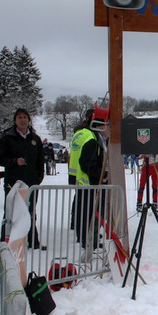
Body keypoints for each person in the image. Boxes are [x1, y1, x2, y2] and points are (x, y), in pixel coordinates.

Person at [0, 108, 45, 247]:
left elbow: (40, 161)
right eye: (19, 117)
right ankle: (6, 241)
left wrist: (38, 178)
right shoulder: (7, 138)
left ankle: (32, 241)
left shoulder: (35, 139)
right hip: (13, 181)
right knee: (11, 212)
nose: (23, 120)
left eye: (25, 117)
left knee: (30, 212)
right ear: (15, 121)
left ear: (29, 120)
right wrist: (14, 161)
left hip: (31, 182)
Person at [70, 105, 109, 251]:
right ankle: (87, 239)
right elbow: (86, 164)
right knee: (87, 213)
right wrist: (103, 174)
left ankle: (86, 238)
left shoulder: (85, 134)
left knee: (85, 212)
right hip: (89, 182)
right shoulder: (92, 139)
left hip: (82, 181)